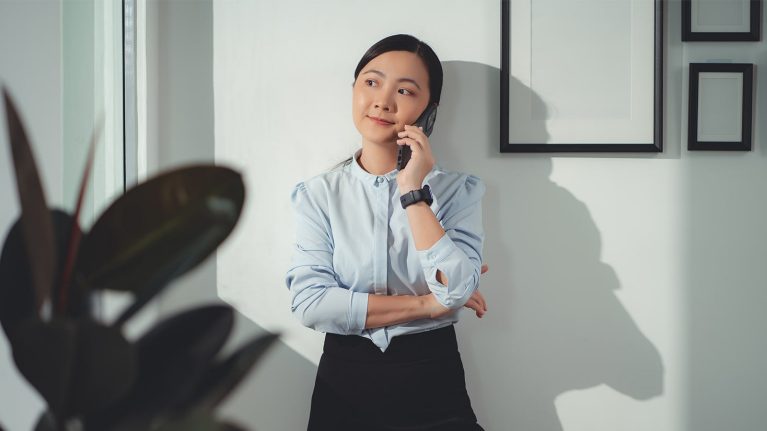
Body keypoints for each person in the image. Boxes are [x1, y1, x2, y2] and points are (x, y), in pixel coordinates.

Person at [285, 34, 487, 431]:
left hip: (434, 380)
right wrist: (427, 306)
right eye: (372, 82)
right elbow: (310, 303)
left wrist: (413, 191)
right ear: (355, 90)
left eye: (406, 90)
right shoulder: (318, 195)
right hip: (343, 383)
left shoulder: (457, 192)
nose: (383, 101)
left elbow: (457, 290)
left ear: (428, 108)